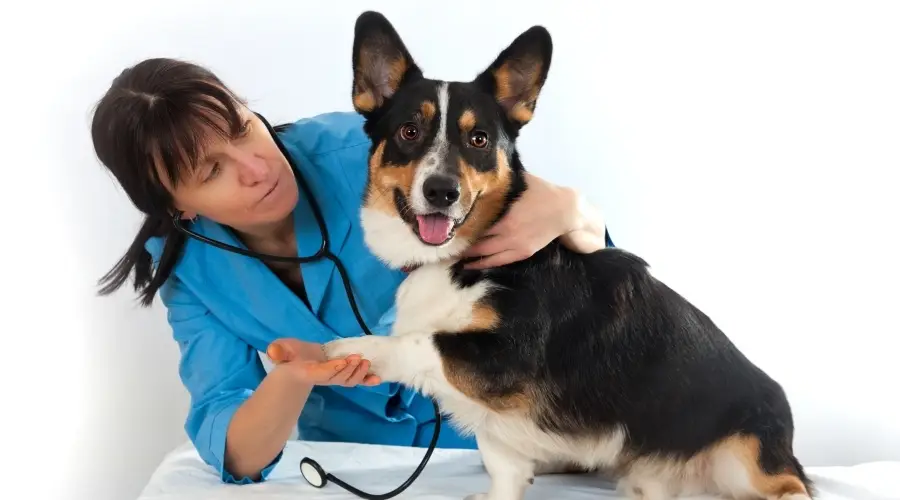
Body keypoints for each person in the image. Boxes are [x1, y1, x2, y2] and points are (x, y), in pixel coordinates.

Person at [90, 57, 613, 484]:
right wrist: (293, 379)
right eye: (212, 171)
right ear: (178, 207)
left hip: (509, 437)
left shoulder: (371, 150)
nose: (256, 168)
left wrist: (573, 211)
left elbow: (568, 259)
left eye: (244, 130)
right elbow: (237, 451)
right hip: (357, 463)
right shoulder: (189, 273)